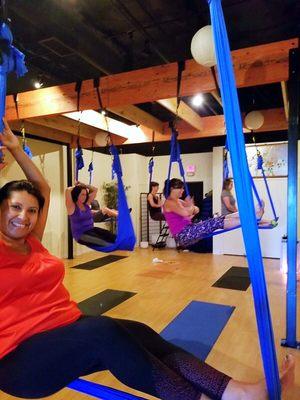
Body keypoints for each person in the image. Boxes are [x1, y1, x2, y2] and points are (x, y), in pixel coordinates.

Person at [0, 122, 294, 400]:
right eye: (15, 207)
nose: (23, 217)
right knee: (101, 331)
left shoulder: (31, 241)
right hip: (18, 358)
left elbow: (43, 187)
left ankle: (235, 391)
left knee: (141, 333)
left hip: (61, 331)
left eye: (31, 211)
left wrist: (15, 148)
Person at [163, 178, 266, 248]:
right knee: (216, 222)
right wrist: (191, 208)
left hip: (190, 229)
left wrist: (191, 208)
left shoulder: (178, 201)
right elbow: (187, 212)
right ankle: (254, 217)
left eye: (182, 188)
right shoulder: (169, 202)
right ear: (172, 188)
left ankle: (253, 214)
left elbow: (196, 209)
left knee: (221, 218)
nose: (182, 190)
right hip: (184, 235)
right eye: (180, 188)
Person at [65, 181, 117, 247]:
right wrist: (76, 187)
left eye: (86, 194)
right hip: (81, 235)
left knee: (112, 236)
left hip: (91, 230)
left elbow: (95, 189)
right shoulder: (72, 207)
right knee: (104, 243)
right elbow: (67, 190)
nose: (85, 196)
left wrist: (84, 185)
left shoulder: (86, 204)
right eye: (82, 194)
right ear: (76, 194)